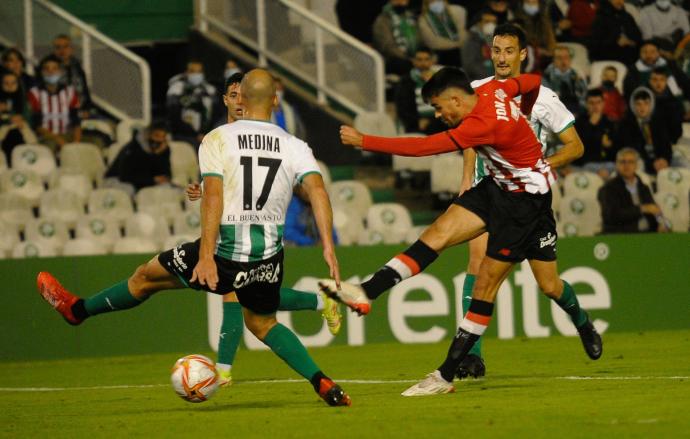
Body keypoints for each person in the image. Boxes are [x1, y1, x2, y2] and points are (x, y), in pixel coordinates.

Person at [37, 69, 351, 407]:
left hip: (225, 251)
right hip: (268, 257)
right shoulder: (295, 146)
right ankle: (323, 383)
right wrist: (329, 247)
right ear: (275, 100)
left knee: (144, 277)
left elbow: (215, 197)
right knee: (262, 322)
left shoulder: (217, 139)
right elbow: (317, 191)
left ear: (241, 99)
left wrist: (205, 255)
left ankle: (78, 310)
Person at [326, 66, 601, 396]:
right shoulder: (492, 91)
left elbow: (424, 148)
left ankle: (579, 322)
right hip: (495, 188)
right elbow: (532, 81)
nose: (439, 114)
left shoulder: (483, 123)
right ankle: (367, 291)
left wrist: (365, 141)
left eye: (440, 107)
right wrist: (524, 111)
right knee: (437, 233)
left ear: (456, 99)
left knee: (540, 285)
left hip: (526, 207)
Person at [447, 23, 587, 379]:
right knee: (476, 263)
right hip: (487, 192)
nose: (502, 58)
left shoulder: (542, 97)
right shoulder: (477, 91)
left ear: (523, 54)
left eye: (509, 51)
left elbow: (576, 145)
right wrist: (466, 178)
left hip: (527, 199)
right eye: (496, 50)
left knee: (549, 285)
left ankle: (581, 319)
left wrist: (546, 164)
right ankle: (470, 356)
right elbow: (469, 138)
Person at [186, 72, 342, 385]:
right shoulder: (218, 139)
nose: (237, 101)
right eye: (231, 95)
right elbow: (224, 185)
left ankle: (224, 369)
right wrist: (203, 189)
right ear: (229, 101)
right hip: (229, 227)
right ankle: (318, 300)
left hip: (255, 233)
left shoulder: (266, 140)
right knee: (252, 300)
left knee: (237, 296)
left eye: (239, 94)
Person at [598, 147, 670, 233]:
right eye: (622, 162)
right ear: (617, 165)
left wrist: (660, 222)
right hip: (621, 235)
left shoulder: (643, 187)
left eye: (630, 162)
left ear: (636, 165)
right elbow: (611, 216)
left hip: (647, 234)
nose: (626, 165)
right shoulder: (608, 188)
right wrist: (641, 209)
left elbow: (653, 209)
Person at [28, 55, 81, 151]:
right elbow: (36, 125)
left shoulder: (69, 92)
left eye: (54, 68)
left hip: (68, 134)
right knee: (50, 148)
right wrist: (57, 139)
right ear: (41, 72)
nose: (50, 72)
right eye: (46, 69)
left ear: (60, 72)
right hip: (46, 137)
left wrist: (77, 142)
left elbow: (76, 121)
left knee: (92, 145)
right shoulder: (34, 93)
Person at [104, 122, 171, 194]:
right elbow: (125, 176)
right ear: (148, 134)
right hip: (118, 180)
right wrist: (152, 180)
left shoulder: (163, 150)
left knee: (167, 189)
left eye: (163, 137)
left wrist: (159, 155)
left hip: (145, 182)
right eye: (156, 135)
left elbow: (166, 175)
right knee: (129, 190)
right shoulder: (132, 149)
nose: (159, 140)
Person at [618, 87, 672, 175]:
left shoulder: (658, 122)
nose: (642, 107)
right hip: (641, 161)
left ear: (651, 104)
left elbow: (666, 145)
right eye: (638, 104)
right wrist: (651, 164)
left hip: (660, 161)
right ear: (633, 106)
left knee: (682, 162)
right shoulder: (626, 125)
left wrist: (665, 159)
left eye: (646, 103)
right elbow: (633, 150)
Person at [166, 59, 217, 145]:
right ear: (186, 72)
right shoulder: (176, 89)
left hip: (206, 137)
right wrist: (195, 135)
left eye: (199, 71)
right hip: (183, 137)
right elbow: (173, 116)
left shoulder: (210, 90)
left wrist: (207, 133)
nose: (196, 74)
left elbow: (215, 114)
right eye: (193, 71)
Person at [395, 46, 444, 134]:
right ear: (413, 61)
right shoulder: (406, 81)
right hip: (417, 123)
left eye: (426, 59)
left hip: (440, 120)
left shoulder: (441, 77)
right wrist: (416, 121)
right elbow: (403, 108)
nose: (423, 63)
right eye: (419, 60)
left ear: (432, 60)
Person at [572, 88, 619, 179]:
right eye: (591, 103)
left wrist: (609, 146)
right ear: (586, 104)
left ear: (603, 104)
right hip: (587, 164)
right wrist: (591, 125)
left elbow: (616, 149)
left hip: (607, 164)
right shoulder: (579, 123)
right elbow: (579, 149)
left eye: (598, 102)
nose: (595, 106)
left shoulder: (610, 123)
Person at [623, 39, 690, 101]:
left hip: (676, 101)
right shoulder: (633, 70)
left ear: (658, 53)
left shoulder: (669, 64)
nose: (648, 55)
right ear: (640, 54)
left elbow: (685, 82)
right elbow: (631, 94)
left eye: (652, 52)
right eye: (644, 52)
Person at [372, 0, 421, 75]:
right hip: (393, 60)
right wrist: (409, 59)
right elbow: (388, 47)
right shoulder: (383, 20)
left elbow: (420, 39)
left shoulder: (411, 17)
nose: (401, 2)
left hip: (413, 57)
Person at [589, 0, 642, 66]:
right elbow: (595, 46)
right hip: (608, 61)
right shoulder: (600, 18)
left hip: (631, 59)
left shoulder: (627, 17)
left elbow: (638, 37)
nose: (619, 1)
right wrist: (616, 42)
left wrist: (631, 42)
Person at [0, 71, 37, 163]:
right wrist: (9, 119)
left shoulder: (23, 100)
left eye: (13, 83)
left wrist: (21, 119)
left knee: (19, 135)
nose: (10, 86)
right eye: (6, 83)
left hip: (21, 130)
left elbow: (29, 119)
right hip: (3, 131)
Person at [417, 0, 466, 67]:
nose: (435, 3)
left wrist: (460, 43)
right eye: (432, 1)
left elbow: (463, 33)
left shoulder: (458, 11)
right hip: (441, 55)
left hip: (462, 52)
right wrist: (456, 44)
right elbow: (433, 43)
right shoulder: (423, 20)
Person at [542, 45, 588, 116]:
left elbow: (583, 97)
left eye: (566, 57)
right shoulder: (546, 77)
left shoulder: (577, 75)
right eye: (559, 58)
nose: (563, 61)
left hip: (577, 113)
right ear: (554, 60)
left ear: (570, 59)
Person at [52, 34, 91, 115]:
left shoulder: (77, 67)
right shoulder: (49, 68)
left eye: (65, 46)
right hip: (58, 112)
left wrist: (86, 108)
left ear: (71, 49)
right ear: (54, 50)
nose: (62, 50)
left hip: (79, 110)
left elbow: (84, 90)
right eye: (58, 47)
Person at [512, 0, 557, 71]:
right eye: (528, 2)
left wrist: (543, 52)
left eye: (534, 2)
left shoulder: (545, 22)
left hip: (542, 62)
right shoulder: (515, 20)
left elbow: (551, 47)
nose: (531, 4)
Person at [648, 67, 684, 145]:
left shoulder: (675, 103)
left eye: (662, 79)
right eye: (655, 80)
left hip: (669, 143)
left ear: (666, 81)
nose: (658, 83)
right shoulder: (643, 100)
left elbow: (677, 130)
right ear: (650, 81)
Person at [461, 10, 497, 81]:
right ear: (478, 23)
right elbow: (470, 66)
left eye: (494, 22)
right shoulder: (470, 40)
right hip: (477, 82)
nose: (491, 25)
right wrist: (491, 77)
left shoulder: (493, 39)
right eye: (487, 21)